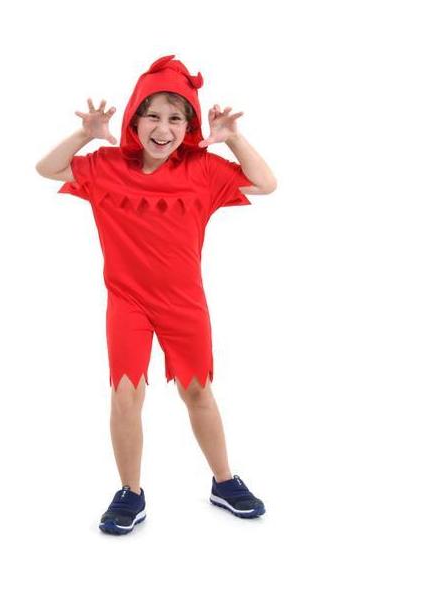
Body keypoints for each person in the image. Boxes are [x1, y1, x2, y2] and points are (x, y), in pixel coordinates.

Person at [35, 55, 277, 534]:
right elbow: (47, 168)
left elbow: (266, 183)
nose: (162, 129)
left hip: (184, 303)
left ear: (188, 126)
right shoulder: (106, 167)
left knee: (198, 391)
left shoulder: (203, 170)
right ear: (134, 120)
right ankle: (130, 492)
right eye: (152, 116)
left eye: (175, 118)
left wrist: (233, 138)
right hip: (127, 302)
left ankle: (224, 481)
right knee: (125, 394)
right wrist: (86, 133)